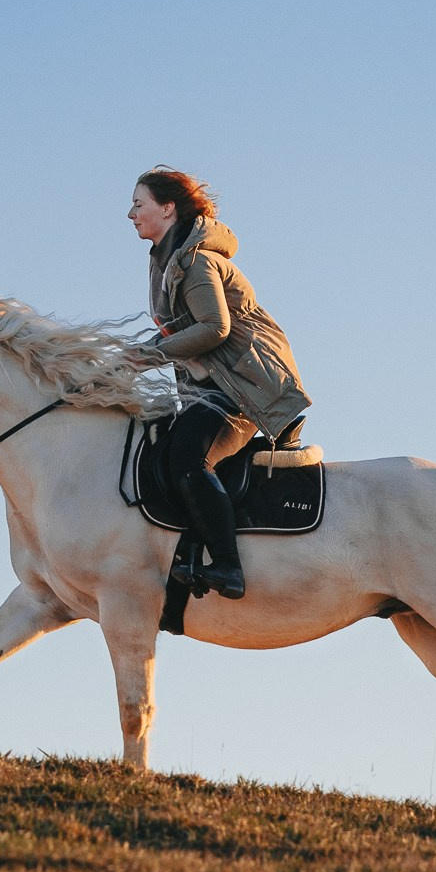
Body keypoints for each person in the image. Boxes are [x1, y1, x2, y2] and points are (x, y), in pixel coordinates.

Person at [127, 166, 312, 601]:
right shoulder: (166, 263)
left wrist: (149, 353)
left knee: (187, 460)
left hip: (239, 394)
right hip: (207, 391)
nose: (130, 214)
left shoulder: (195, 262)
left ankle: (228, 565)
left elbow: (214, 328)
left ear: (168, 208)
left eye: (139, 204)